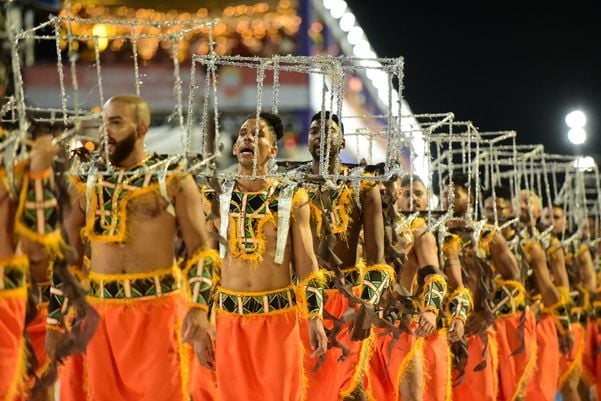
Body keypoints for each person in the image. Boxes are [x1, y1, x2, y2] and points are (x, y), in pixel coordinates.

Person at [53, 94, 215, 401]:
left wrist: (198, 307)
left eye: (115, 122)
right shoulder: (86, 181)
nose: (105, 132)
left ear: (141, 129)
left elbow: (201, 250)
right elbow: (67, 256)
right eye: (103, 123)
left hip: (160, 314)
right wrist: (55, 320)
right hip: (100, 319)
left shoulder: (173, 178)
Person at [194, 112, 328, 401]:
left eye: (258, 134)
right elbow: (206, 263)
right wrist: (202, 320)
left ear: (274, 149)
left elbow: (307, 265)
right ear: (233, 147)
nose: (248, 138)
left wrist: (315, 317)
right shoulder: (214, 197)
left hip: (278, 324)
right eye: (243, 133)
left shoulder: (293, 197)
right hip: (229, 323)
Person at [296, 111, 391, 401]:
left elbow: (377, 258)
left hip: (347, 301)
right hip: (300, 301)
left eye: (330, 131)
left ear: (343, 140)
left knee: (349, 388)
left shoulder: (365, 187)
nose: (321, 135)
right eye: (314, 131)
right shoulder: (291, 187)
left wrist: (370, 304)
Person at [441, 175, 521, 401]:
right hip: (440, 332)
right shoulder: (433, 234)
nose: (449, 199)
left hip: (474, 332)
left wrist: (488, 313)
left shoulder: (487, 235)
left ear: (471, 198)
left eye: (456, 194)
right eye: (446, 194)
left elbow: (515, 280)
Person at [0, 124, 59, 400]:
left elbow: (43, 254)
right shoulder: (21, 158)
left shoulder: (17, 156)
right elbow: (38, 250)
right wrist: (38, 174)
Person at [482, 186, 537, 401]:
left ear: (510, 210)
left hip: (515, 321)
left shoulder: (526, 244)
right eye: (488, 209)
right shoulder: (479, 238)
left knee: (515, 387)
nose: (494, 213)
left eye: (499, 208)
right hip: (487, 325)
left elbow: (521, 282)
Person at [518, 190, 571, 401]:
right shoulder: (500, 237)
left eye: (527, 204)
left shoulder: (548, 242)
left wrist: (563, 325)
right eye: (519, 203)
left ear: (537, 211)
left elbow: (559, 289)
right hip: (509, 324)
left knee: (539, 390)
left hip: (542, 321)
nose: (522, 207)